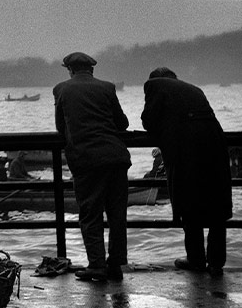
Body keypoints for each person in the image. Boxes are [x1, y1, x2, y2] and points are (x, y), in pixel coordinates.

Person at [140, 67, 232, 277]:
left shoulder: (154, 85)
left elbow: (148, 121)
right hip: (215, 143)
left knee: (189, 201)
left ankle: (196, 260)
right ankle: (216, 263)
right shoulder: (194, 89)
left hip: (187, 149)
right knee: (216, 205)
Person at [53, 52, 131, 282]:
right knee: (117, 215)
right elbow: (122, 123)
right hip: (116, 157)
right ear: (92, 69)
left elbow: (60, 126)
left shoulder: (62, 90)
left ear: (70, 69)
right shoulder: (107, 88)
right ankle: (116, 264)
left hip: (87, 160)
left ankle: (96, 265)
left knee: (90, 213)